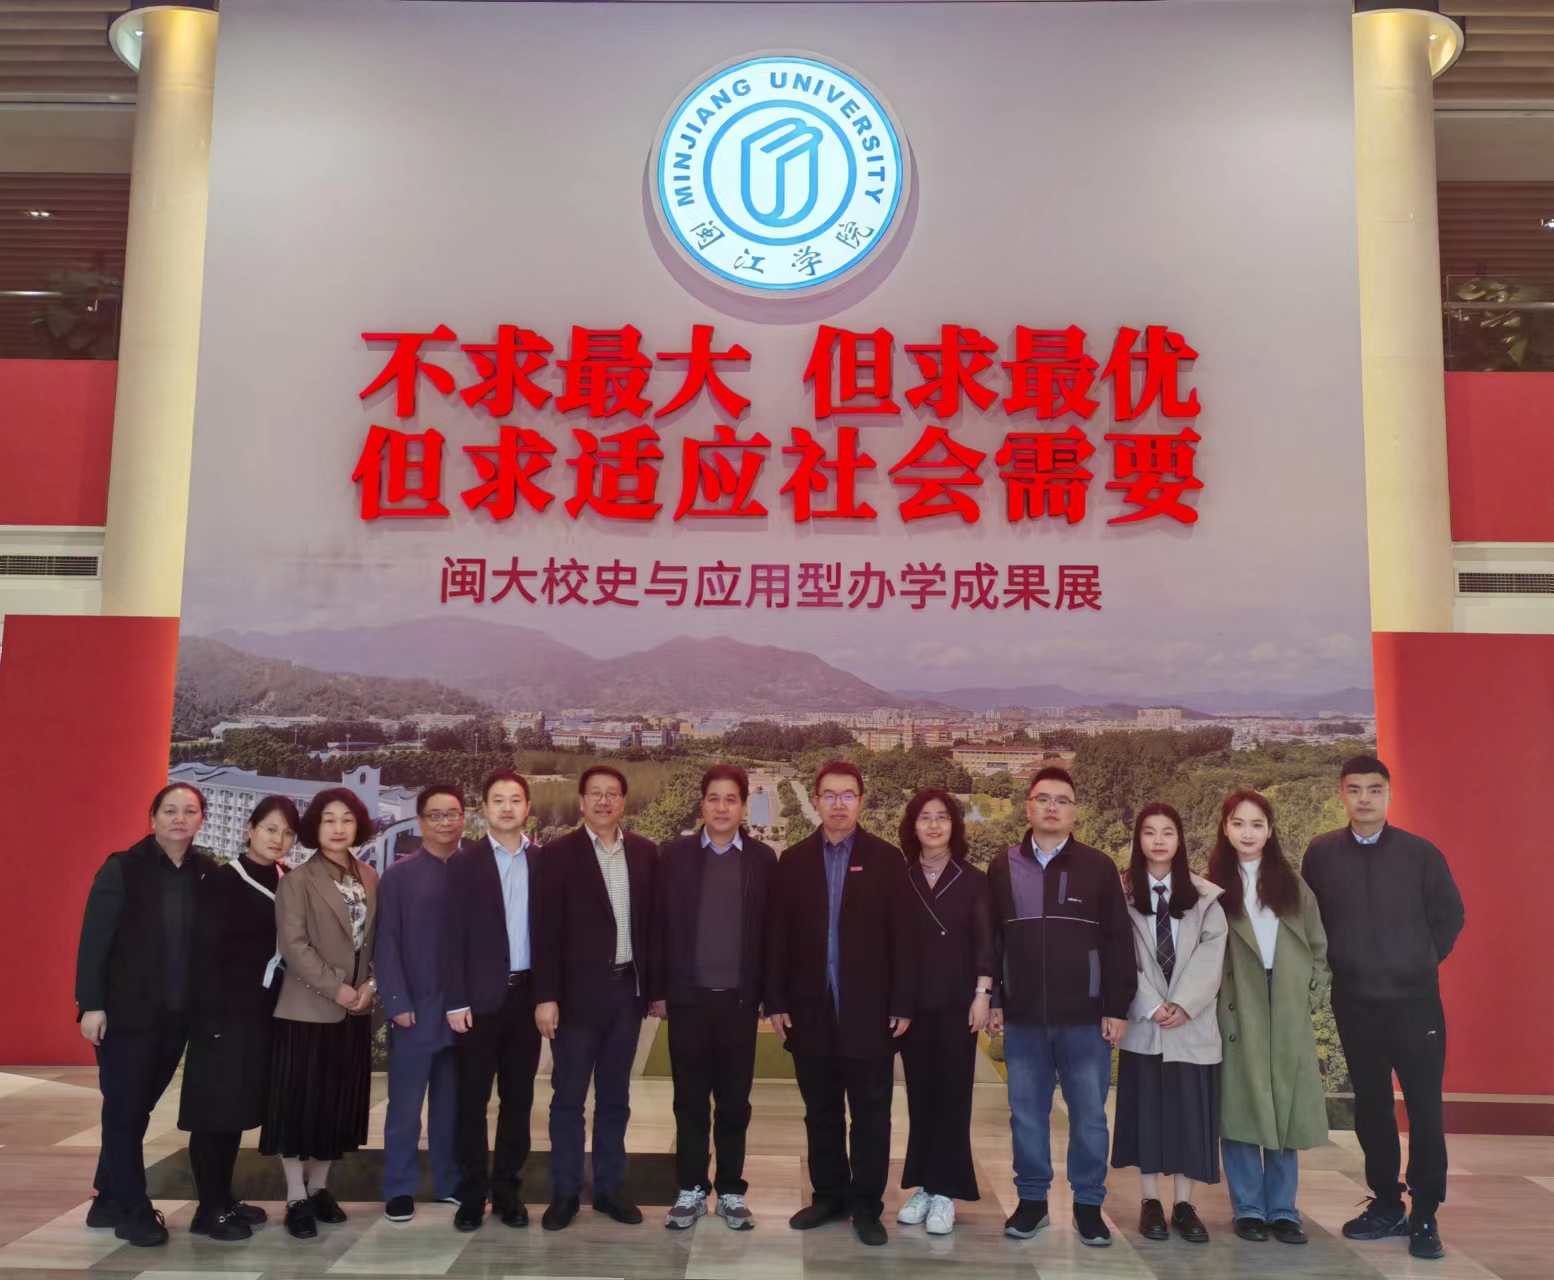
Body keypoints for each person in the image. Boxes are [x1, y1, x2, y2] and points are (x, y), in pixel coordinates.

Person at [1302, 755, 1465, 1261]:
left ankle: (1425, 1213)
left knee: (1424, 1109)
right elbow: (1312, 921)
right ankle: (1387, 1203)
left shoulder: (1420, 854)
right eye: (1354, 789)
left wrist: (1417, 962)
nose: (1365, 799)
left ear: (1389, 795)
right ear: (1342, 796)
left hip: (1415, 1005)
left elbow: (1451, 916)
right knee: (1372, 1107)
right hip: (1355, 1003)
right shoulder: (1321, 854)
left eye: (1374, 789)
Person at [764, 761, 916, 1248]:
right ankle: (829, 1196)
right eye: (829, 795)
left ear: (861, 802)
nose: (838, 804)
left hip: (870, 1014)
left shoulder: (887, 860)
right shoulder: (793, 861)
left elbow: (903, 938)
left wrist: (902, 1001)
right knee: (821, 1112)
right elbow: (777, 937)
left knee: (871, 1115)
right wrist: (775, 1001)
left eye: (847, 795)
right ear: (816, 800)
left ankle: (867, 1206)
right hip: (810, 1012)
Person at [988, 766, 1134, 1247]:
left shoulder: (1098, 866)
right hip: (1024, 1017)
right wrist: (994, 999)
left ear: (1075, 812)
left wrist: (1117, 1006)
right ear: (1027, 807)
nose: (1052, 807)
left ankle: (1088, 1204)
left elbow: (1118, 941)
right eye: (1043, 798)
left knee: (1089, 1116)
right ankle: (1032, 1201)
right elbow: (992, 940)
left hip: (1086, 1019)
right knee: (1026, 1114)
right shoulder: (1003, 865)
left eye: (1062, 800)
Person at [75, 783, 216, 1248]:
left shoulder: (206, 871)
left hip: (177, 1016)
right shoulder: (122, 868)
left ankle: (106, 1199)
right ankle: (133, 1211)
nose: (180, 818)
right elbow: (94, 940)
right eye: (170, 810)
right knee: (123, 1109)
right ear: (152, 818)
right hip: (125, 1015)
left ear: (201, 820)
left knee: (135, 1108)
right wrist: (91, 1004)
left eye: (189, 811)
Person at [649, 764, 776, 1231]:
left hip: (739, 1003)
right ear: (701, 803)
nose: (722, 808)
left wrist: (768, 996)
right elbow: (658, 925)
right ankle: (691, 1188)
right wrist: (658, 991)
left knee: (734, 1102)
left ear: (743, 807)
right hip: (688, 1000)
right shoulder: (675, 855)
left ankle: (731, 1191)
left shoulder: (762, 860)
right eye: (713, 798)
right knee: (689, 1101)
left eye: (731, 799)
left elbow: (773, 933)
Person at [532, 764, 658, 1231]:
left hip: (626, 992)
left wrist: (655, 990)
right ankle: (565, 1193)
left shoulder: (644, 852)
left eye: (612, 794)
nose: (604, 801)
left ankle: (608, 1189)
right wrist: (546, 996)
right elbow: (544, 931)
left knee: (614, 1098)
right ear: (582, 801)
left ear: (623, 801)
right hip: (575, 997)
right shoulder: (557, 854)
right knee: (568, 1099)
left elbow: (654, 926)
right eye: (595, 794)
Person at [1207, 790, 1330, 1246]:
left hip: (1286, 997)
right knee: (1241, 1103)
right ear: (1225, 829)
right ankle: (1248, 1208)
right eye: (1239, 823)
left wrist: (1311, 993)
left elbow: (1318, 946)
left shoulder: (1293, 885)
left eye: (1257, 824)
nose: (1248, 833)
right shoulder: (1212, 888)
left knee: (1286, 1103)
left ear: (1270, 830)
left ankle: (1283, 1209)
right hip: (1239, 999)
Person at [177, 796, 300, 1242]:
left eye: (287, 832)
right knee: (212, 1114)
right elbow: (202, 953)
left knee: (232, 1111)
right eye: (270, 829)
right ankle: (207, 1211)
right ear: (250, 830)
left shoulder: (285, 878)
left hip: (259, 1013)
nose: (278, 839)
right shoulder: (224, 880)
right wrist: (209, 1019)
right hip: (222, 1014)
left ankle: (223, 1199)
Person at [260, 787, 380, 1240]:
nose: (338, 827)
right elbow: (293, 946)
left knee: (335, 1105)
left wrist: (370, 986)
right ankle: (295, 1196)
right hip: (305, 1011)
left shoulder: (370, 876)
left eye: (347, 819)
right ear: (315, 827)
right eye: (329, 819)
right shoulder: (296, 880)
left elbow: (377, 941)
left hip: (354, 1011)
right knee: (299, 1107)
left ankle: (320, 1188)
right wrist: (338, 988)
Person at [1111, 803, 1227, 1246]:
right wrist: (1152, 1003)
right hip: (1145, 1023)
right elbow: (1118, 953)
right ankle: (1150, 1202)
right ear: (1137, 840)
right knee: (1147, 1115)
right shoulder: (1120, 894)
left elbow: (1213, 956)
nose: (1159, 840)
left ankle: (1183, 1204)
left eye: (1168, 832)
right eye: (1149, 832)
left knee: (1188, 1117)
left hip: (1191, 1025)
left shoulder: (1205, 896)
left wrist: (1182, 1003)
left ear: (1180, 840)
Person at [445, 770, 541, 1232]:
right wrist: (455, 1001)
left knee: (518, 1101)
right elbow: (450, 938)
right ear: (483, 809)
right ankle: (471, 1194)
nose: (507, 807)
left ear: (527, 808)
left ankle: (506, 1191)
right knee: (471, 1102)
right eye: (498, 800)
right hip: (477, 1004)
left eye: (515, 799)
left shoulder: (543, 861)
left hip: (527, 1000)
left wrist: (549, 996)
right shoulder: (463, 863)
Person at [894, 789, 993, 1237]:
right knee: (921, 1098)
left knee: (953, 1097)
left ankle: (946, 1193)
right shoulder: (901, 878)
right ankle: (924, 1185)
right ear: (912, 827)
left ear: (954, 825)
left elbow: (986, 942)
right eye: (925, 818)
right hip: (913, 1006)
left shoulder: (973, 880)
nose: (933, 825)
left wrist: (982, 994)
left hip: (958, 1003)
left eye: (942, 817)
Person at [375, 785, 464, 1223]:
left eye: (453, 813)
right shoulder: (399, 876)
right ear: (421, 821)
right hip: (414, 1009)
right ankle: (398, 1188)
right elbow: (386, 942)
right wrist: (396, 1000)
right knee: (405, 1109)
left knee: (452, 1108)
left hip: (463, 1012)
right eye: (436, 815)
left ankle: (450, 1183)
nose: (446, 822)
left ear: (464, 818)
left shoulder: (476, 871)